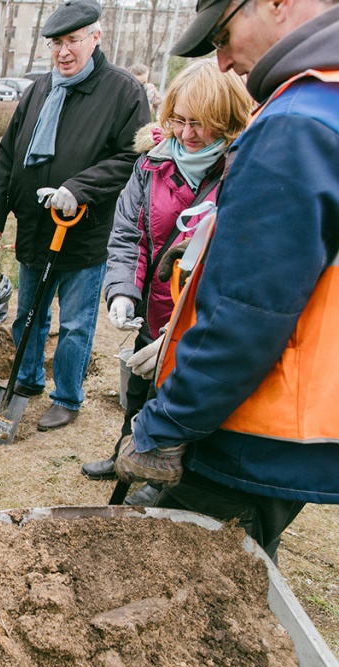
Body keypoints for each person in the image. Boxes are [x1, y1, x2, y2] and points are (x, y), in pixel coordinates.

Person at [114, 0, 339, 560]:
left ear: (277, 3)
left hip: (254, 418)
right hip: (307, 409)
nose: (223, 60)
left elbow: (249, 310)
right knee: (241, 565)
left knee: (187, 580)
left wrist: (165, 422)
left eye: (223, 34)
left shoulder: (298, 121)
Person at [80, 60, 253, 500]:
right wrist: (122, 290)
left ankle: (163, 486)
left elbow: (237, 269)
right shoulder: (152, 164)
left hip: (200, 329)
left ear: (227, 120)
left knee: (181, 408)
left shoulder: (243, 175)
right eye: (179, 120)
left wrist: (183, 333)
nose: (188, 133)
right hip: (152, 317)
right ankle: (125, 458)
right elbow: (129, 236)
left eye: (202, 123)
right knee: (137, 397)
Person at [0, 0, 149, 431]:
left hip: (84, 231)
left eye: (73, 40)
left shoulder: (123, 92)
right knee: (28, 314)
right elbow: (10, 152)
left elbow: (132, 157)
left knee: (75, 323)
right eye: (56, 43)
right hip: (37, 228)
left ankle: (68, 397)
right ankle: (29, 378)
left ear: (95, 37)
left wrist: (78, 189)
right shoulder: (39, 88)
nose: (64, 52)